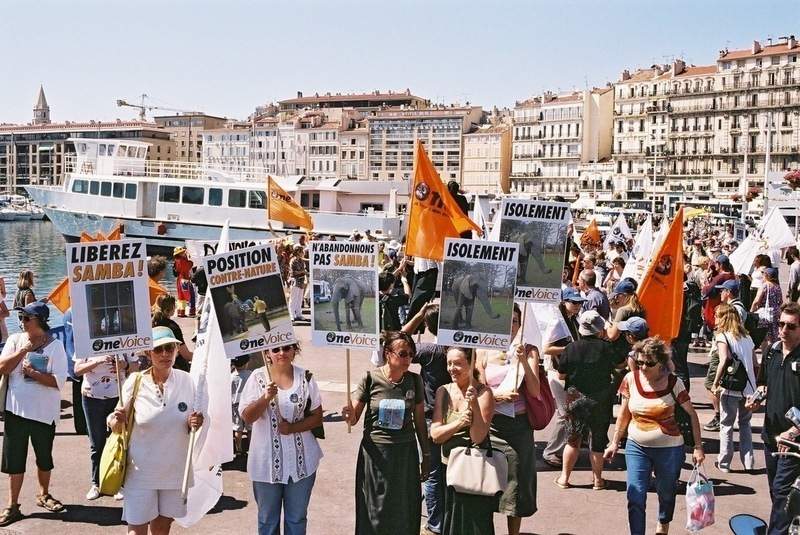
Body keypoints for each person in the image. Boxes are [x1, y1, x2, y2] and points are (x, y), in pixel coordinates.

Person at [107, 326, 203, 535]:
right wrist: (117, 419)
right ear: (148, 353)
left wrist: (195, 422)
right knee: (136, 531)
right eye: (158, 349)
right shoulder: (135, 381)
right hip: (140, 472)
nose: (165, 354)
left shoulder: (187, 380)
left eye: (170, 348)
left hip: (174, 471)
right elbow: (115, 424)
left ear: (177, 350)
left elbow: (194, 421)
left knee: (162, 529)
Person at [605, 337, 704, 535]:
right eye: (639, 362)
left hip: (669, 449)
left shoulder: (674, 382)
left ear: (661, 363)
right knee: (635, 495)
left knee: (666, 494)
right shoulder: (630, 379)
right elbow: (624, 414)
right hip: (636, 446)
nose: (642, 367)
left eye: (649, 363)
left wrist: (698, 447)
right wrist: (614, 442)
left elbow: (692, 414)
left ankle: (663, 523)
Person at [342, 331, 430, 535]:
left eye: (410, 354)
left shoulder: (415, 381)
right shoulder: (370, 378)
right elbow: (354, 419)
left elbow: (419, 422)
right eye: (402, 353)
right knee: (376, 510)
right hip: (376, 456)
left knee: (402, 510)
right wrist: (348, 414)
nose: (408, 358)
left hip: (404, 455)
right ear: (387, 353)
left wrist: (425, 455)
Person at [239, 344, 323, 535]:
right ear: (267, 353)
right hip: (266, 464)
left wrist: (292, 428)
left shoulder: (306, 377)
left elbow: (317, 417)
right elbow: (247, 417)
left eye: (286, 348)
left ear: (295, 350)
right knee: (267, 521)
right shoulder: (257, 377)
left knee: (297, 519)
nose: (281, 353)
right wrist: (265, 398)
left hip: (302, 462)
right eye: (275, 349)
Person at [0, 302, 68, 527]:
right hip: (15, 411)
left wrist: (33, 373)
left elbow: (59, 381)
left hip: (43, 413)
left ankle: (43, 494)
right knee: (14, 460)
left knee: (44, 458)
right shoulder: (15, 340)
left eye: (26, 318)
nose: (22, 321)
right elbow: (3, 368)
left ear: (39, 320)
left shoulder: (55, 346)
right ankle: (12, 505)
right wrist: (23, 351)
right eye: (21, 317)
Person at [476, 304, 539, 535]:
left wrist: (523, 361)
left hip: (518, 428)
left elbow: (534, 391)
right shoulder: (483, 350)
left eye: (514, 321)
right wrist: (497, 396)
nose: (509, 326)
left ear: (519, 324)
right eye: (505, 321)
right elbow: (478, 388)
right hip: (490, 424)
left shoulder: (529, 350)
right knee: (486, 485)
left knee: (516, 487)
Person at [554, 310, 623, 489]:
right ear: (598, 329)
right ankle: (598, 480)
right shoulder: (606, 347)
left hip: (575, 398)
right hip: (600, 398)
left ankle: (564, 478)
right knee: (598, 440)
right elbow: (619, 364)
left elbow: (561, 375)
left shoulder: (571, 348)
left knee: (573, 440)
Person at [747, 302, 800, 535]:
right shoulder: (773, 350)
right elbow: (763, 383)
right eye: (781, 324)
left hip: (792, 440)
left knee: (781, 490)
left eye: (791, 326)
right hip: (770, 434)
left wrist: (794, 431)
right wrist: (757, 397)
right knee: (777, 492)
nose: (783, 330)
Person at [430, 347, 495, 535]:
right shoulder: (443, 391)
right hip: (449, 468)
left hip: (473, 469)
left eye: (457, 363)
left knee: (475, 523)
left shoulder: (484, 393)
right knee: (452, 522)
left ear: (471, 363)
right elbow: (435, 435)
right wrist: (459, 423)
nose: (452, 368)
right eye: (449, 363)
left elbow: (478, 437)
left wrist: (474, 404)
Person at [401, 303, 448, 535]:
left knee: (432, 473)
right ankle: (448, 520)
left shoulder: (429, 350)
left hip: (431, 418)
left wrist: (418, 315)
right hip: (456, 417)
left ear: (428, 325)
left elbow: (399, 341)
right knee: (451, 473)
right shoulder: (459, 349)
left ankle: (435, 524)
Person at [75, 348, 139, 501]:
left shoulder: (122, 341)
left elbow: (136, 366)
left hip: (119, 397)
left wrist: (124, 366)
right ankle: (97, 482)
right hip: (91, 398)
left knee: (120, 440)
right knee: (97, 443)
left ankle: (120, 482)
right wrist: (97, 361)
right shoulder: (87, 342)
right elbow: (77, 370)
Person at [709, 303, 757, 473]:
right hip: (749, 388)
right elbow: (755, 363)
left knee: (726, 425)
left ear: (723, 318)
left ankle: (724, 462)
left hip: (731, 387)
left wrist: (715, 383)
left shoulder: (723, 337)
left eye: (716, 315)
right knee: (745, 424)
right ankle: (749, 461)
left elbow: (724, 360)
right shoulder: (748, 338)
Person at [541, 287, 584, 467]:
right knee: (564, 412)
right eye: (573, 302)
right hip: (557, 372)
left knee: (570, 411)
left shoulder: (573, 320)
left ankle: (562, 447)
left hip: (568, 372)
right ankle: (550, 451)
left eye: (579, 302)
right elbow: (547, 348)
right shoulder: (558, 322)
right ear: (564, 302)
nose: (577, 306)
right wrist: (570, 349)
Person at [151, 294, 193, 372]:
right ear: (171, 308)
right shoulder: (173, 327)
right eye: (175, 305)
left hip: (154, 365)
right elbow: (186, 355)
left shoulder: (151, 323)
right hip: (174, 367)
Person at [751, 267, 783, 351]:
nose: (763, 276)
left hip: (765, 313)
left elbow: (756, 300)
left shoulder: (765, 285)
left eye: (764, 274)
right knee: (773, 336)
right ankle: (773, 353)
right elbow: (780, 302)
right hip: (775, 313)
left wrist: (751, 311)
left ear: (767, 276)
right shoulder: (777, 286)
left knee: (764, 336)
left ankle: (765, 355)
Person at [230, 355, 252, 457]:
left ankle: (239, 449)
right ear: (246, 363)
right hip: (248, 404)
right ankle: (251, 448)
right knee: (250, 428)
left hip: (235, 405)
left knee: (238, 428)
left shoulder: (231, 376)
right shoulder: (250, 374)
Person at [172, 246, 195, 317]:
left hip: (179, 280)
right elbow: (190, 265)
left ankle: (180, 312)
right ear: (180, 253)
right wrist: (190, 259)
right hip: (184, 280)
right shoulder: (182, 261)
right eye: (183, 252)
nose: (184, 253)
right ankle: (191, 311)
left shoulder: (176, 261)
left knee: (181, 296)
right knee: (191, 295)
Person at [289, 245, 307, 322]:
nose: (303, 253)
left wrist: (304, 273)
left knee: (299, 299)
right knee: (293, 299)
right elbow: (293, 272)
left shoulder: (301, 261)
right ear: (298, 252)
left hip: (301, 281)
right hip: (295, 281)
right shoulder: (293, 260)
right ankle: (292, 315)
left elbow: (304, 270)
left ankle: (299, 314)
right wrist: (302, 272)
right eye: (301, 251)